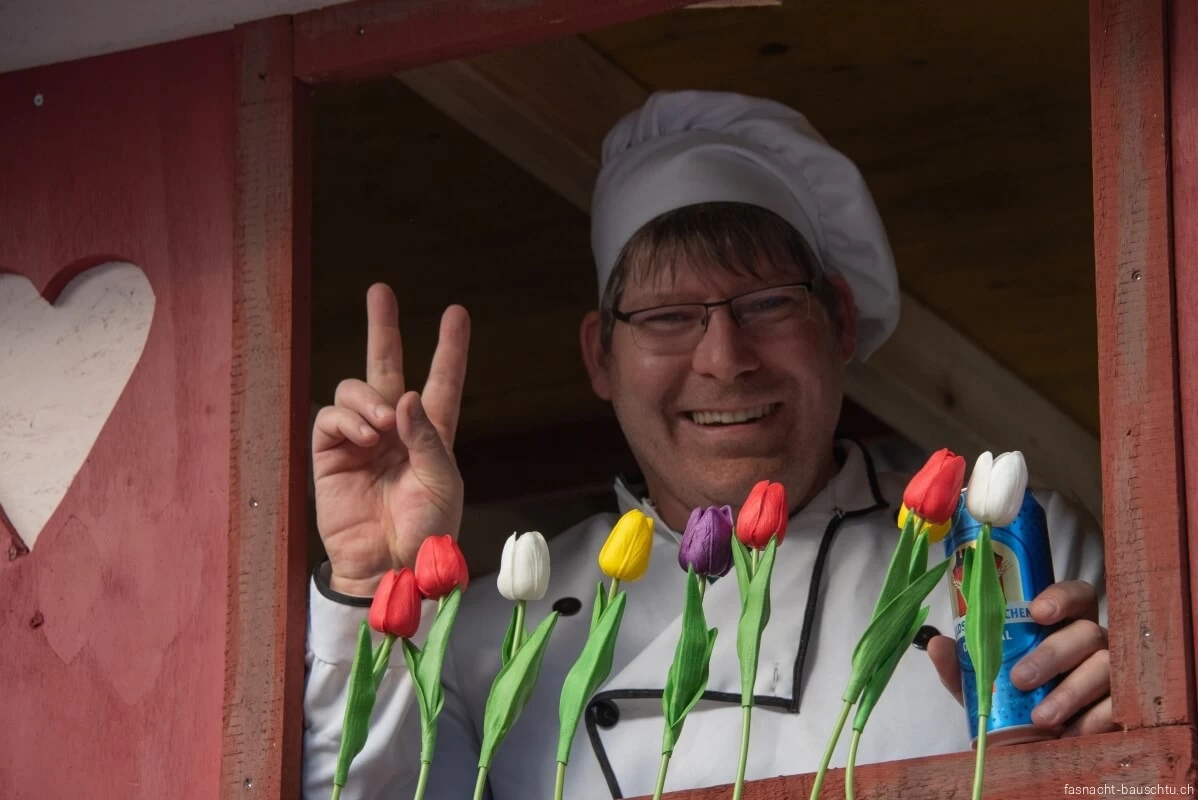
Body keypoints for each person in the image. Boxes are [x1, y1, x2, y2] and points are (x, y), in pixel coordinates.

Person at [302, 91, 1111, 799]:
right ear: (599, 358)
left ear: (837, 320)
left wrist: (1108, 759)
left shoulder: (1010, 551)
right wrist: (370, 583)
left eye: (768, 303)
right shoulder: (486, 634)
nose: (725, 359)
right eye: (666, 317)